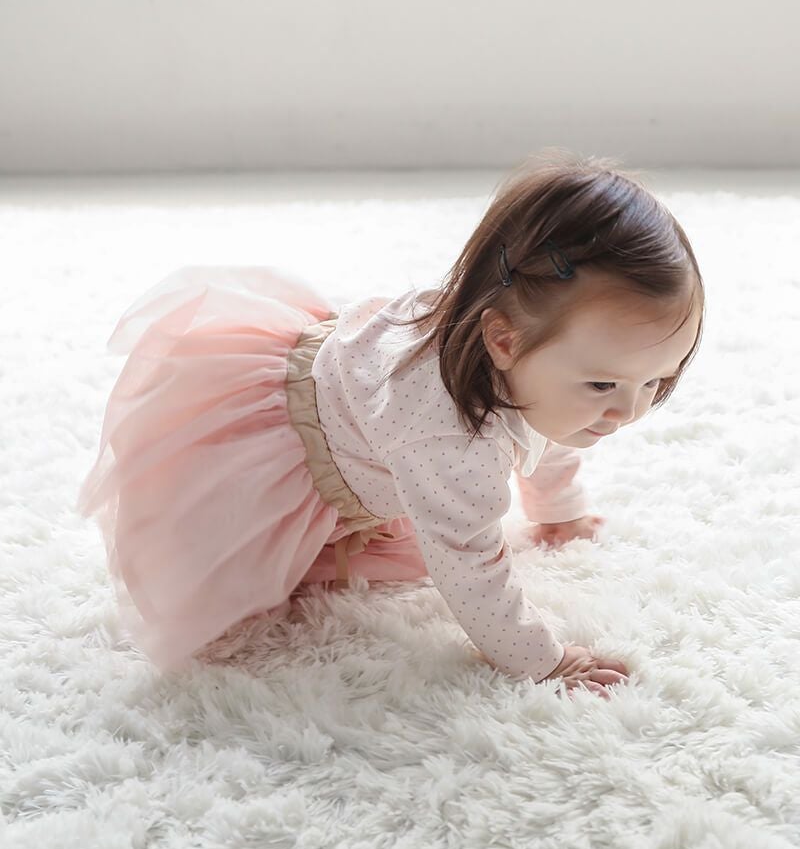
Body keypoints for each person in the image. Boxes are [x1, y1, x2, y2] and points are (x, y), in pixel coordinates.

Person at [76, 150, 705, 699]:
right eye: (604, 386)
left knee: (536, 429)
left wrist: (558, 510)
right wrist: (544, 660)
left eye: (656, 381)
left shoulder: (529, 362)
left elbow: (549, 432)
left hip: (365, 407)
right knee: (241, 576)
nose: (629, 411)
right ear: (503, 340)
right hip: (261, 458)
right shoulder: (453, 444)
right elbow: (470, 570)